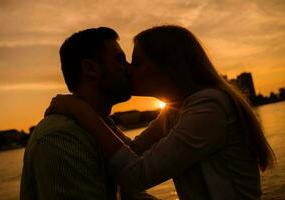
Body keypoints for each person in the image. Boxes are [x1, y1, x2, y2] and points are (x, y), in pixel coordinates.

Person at [45, 25, 276, 199]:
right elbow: (131, 152)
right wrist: (101, 119)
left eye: (136, 63)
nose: (129, 70)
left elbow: (135, 176)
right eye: (125, 61)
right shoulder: (175, 111)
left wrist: (84, 113)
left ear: (168, 67)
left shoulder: (209, 108)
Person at [20, 27, 156, 200]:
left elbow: (132, 179)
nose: (129, 69)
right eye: (120, 60)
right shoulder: (62, 138)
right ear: (91, 68)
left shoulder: (100, 125)